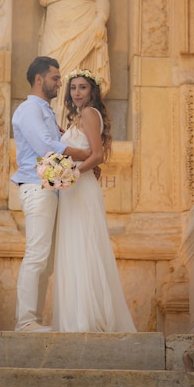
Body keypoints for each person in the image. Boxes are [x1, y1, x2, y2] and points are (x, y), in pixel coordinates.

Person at [52, 68, 136, 332]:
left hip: (80, 186)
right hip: (73, 189)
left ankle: (87, 319)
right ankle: (76, 317)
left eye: (82, 87)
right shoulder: (79, 118)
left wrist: (71, 174)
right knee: (74, 246)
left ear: (92, 91)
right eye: (73, 88)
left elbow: (97, 155)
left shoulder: (89, 114)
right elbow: (82, 149)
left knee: (84, 246)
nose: (77, 92)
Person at [11, 56, 90, 332]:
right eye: (55, 78)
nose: (60, 83)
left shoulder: (44, 111)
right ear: (39, 79)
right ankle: (25, 320)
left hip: (52, 189)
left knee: (47, 262)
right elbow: (46, 146)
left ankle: (34, 321)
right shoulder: (29, 109)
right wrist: (86, 154)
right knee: (37, 254)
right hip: (36, 186)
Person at [36, 0, 110, 125]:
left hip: (85, 20)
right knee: (52, 72)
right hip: (56, 22)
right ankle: (51, 123)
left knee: (78, 73)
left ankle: (77, 123)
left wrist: (100, 19)